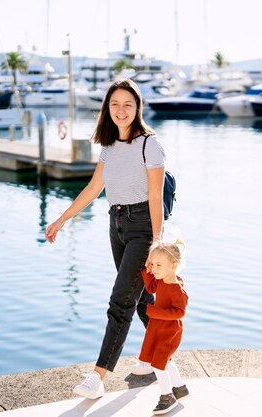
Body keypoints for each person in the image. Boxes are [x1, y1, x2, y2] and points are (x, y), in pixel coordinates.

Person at [45, 78, 166, 399]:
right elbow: (93, 188)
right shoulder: (109, 145)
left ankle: (98, 377)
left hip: (142, 227)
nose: (121, 110)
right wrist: (61, 219)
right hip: (117, 225)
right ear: (107, 108)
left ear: (138, 107)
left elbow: (155, 195)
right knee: (141, 300)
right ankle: (161, 362)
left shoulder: (149, 144)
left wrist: (157, 240)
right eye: (115, 104)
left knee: (121, 302)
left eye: (128, 104)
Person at [139, 239, 189, 415]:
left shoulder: (177, 290)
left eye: (159, 264)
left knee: (158, 365)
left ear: (173, 266)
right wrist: (147, 271)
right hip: (158, 328)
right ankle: (180, 388)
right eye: (152, 264)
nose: (154, 268)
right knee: (164, 362)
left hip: (169, 331)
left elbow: (179, 313)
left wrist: (154, 312)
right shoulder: (160, 280)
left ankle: (167, 397)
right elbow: (151, 287)